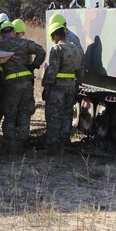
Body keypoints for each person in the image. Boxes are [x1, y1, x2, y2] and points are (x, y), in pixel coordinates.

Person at [0, 18, 45, 150]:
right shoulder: (24, 43)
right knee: (24, 113)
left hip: (12, 85)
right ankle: (23, 141)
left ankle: (11, 144)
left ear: (2, 33)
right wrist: (34, 66)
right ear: (13, 31)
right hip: (26, 83)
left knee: (10, 114)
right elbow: (41, 51)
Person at [42, 19, 84, 154]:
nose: (53, 40)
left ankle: (53, 146)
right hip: (71, 87)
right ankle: (64, 142)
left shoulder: (57, 49)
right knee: (67, 115)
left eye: (53, 38)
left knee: (53, 115)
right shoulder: (76, 48)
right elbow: (80, 70)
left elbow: (53, 70)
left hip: (57, 88)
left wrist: (47, 86)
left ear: (56, 36)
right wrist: (77, 86)